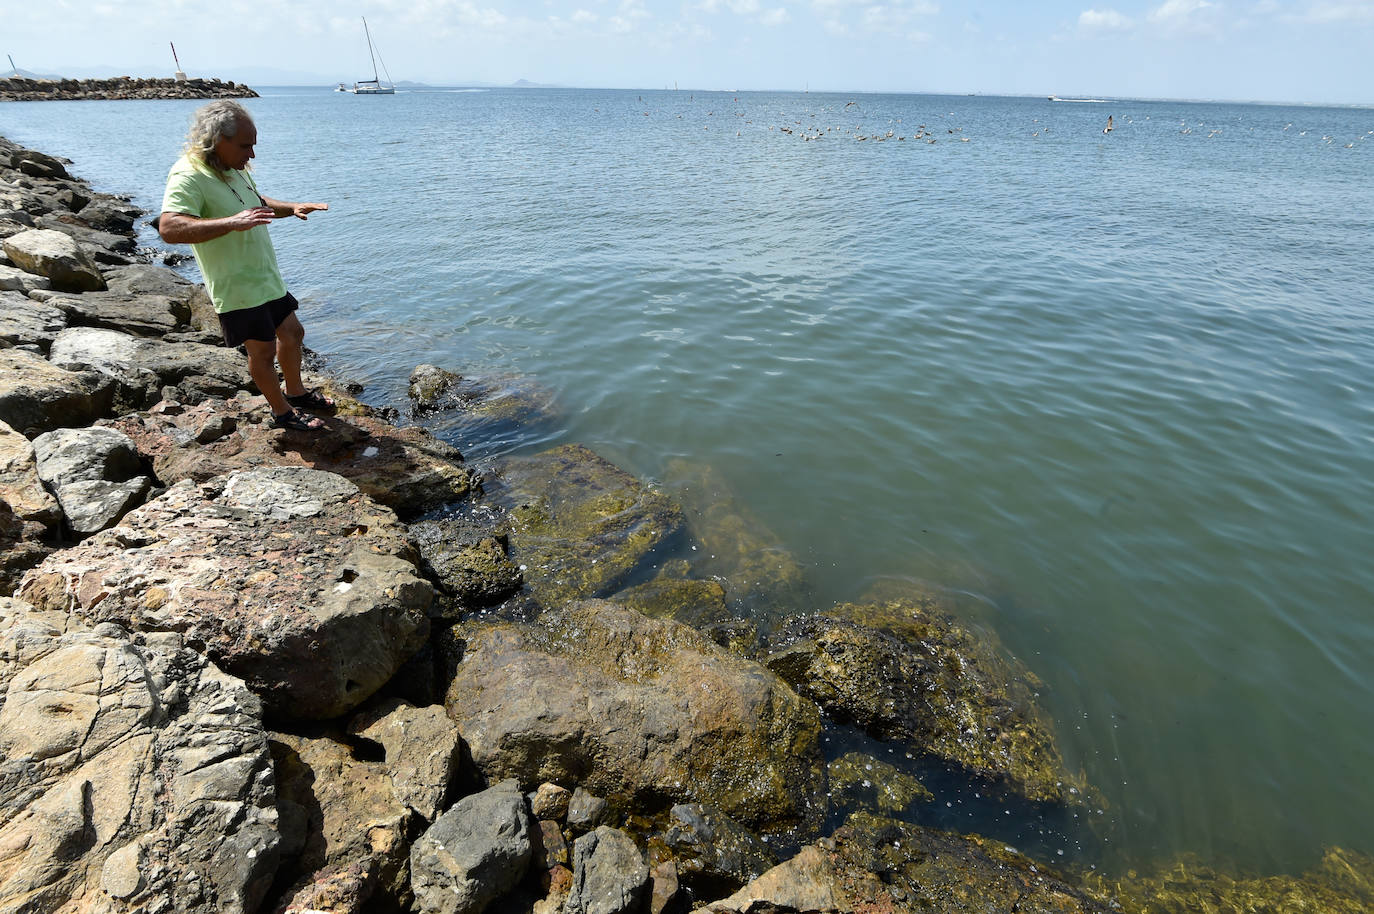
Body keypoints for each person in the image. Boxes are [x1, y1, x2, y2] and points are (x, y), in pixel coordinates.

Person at [158, 100, 333, 431]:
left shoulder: (232, 168)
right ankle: (282, 414)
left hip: (263, 276)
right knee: (263, 351)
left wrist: (292, 207)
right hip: (236, 285)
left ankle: (295, 393)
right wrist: (231, 223)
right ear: (216, 139)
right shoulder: (188, 175)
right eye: (245, 146)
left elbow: (257, 204)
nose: (251, 154)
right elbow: (169, 227)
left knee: (293, 333)